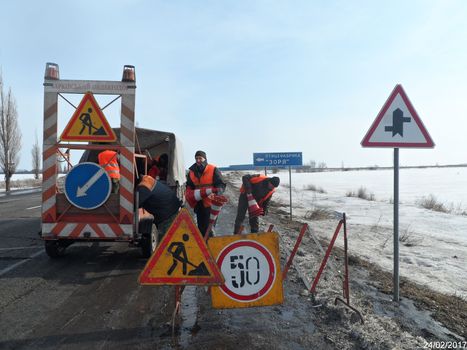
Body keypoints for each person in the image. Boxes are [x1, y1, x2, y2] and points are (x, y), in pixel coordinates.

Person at [186, 150, 226, 236]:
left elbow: (221, 184)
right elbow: (189, 185)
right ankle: (204, 247)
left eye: (200, 158)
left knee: (210, 229)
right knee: (201, 229)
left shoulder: (213, 169)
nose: (198, 160)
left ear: (205, 159)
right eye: (196, 158)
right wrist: (189, 193)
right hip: (199, 204)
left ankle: (210, 248)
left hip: (211, 204)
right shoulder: (191, 172)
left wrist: (218, 193)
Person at [137, 175, 181, 239]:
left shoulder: (144, 187)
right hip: (172, 208)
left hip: (168, 214)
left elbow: (136, 204)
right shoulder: (148, 180)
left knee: (165, 240)